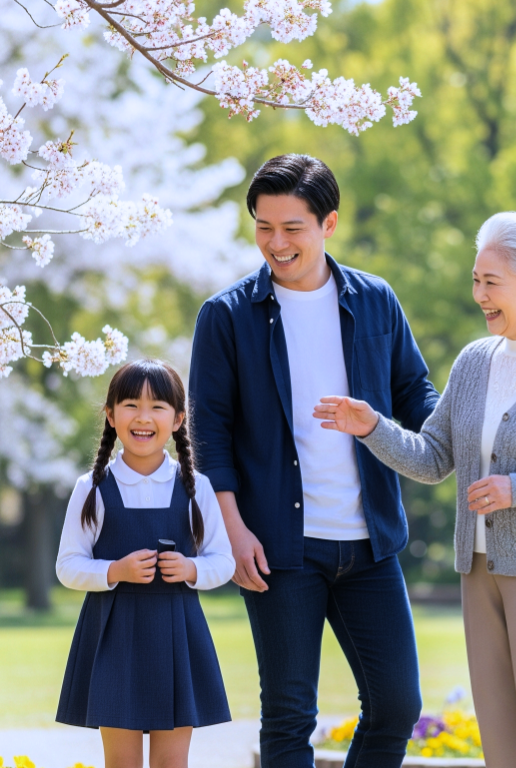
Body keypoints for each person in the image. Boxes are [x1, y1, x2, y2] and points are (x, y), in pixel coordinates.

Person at [314, 210, 516, 768]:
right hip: (479, 568)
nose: (480, 294)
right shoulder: (473, 362)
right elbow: (436, 459)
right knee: (500, 739)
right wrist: (373, 427)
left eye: (492, 283)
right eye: (476, 279)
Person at [188, 154, 439, 768]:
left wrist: (474, 437)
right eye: (263, 227)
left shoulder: (376, 300)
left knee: (396, 706)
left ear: (328, 224)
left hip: (370, 543)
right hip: (277, 546)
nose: (276, 243)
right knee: (289, 718)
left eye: (292, 228)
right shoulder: (226, 316)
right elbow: (209, 432)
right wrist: (234, 528)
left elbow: (419, 396)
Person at [55, 359, 234, 768]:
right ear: (110, 414)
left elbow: (222, 561)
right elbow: (68, 564)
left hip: (178, 635)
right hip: (113, 638)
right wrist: (114, 571)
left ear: (178, 418)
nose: (143, 417)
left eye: (157, 407)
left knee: (173, 763)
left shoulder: (196, 487)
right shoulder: (92, 488)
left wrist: (191, 569)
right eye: (131, 404)